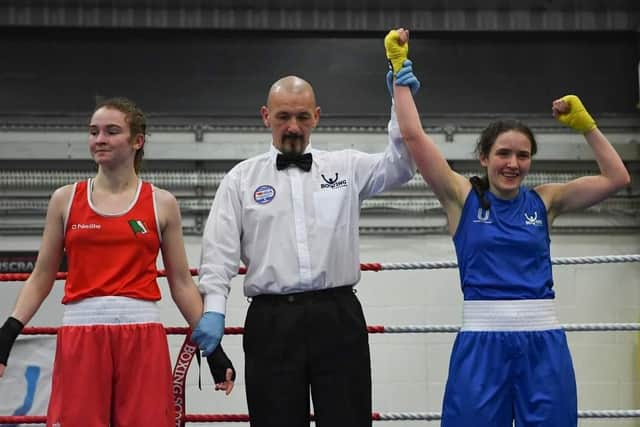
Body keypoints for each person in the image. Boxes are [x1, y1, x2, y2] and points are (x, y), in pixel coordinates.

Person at [385, 29, 631, 426]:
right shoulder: (461, 197)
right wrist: (399, 72)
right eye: (503, 153)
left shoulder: (545, 200)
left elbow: (617, 178)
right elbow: (414, 138)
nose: (512, 163)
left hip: (544, 345)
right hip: (481, 344)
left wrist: (587, 127)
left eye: (523, 155)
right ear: (484, 157)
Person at [0, 97, 235, 427]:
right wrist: (8, 332)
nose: (100, 139)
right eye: (93, 132)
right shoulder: (65, 200)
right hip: (81, 335)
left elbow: (180, 282)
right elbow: (42, 275)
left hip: (141, 336)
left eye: (111, 131)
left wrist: (213, 350)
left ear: (137, 141)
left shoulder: (162, 203)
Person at [198, 75, 416, 427]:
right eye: (284, 116)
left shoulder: (346, 166)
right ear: (265, 116)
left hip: (338, 315)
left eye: (302, 116)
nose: (293, 126)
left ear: (316, 116)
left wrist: (400, 100)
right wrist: (214, 311)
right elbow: (218, 255)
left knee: (348, 420)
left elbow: (402, 166)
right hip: (271, 322)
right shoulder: (241, 179)